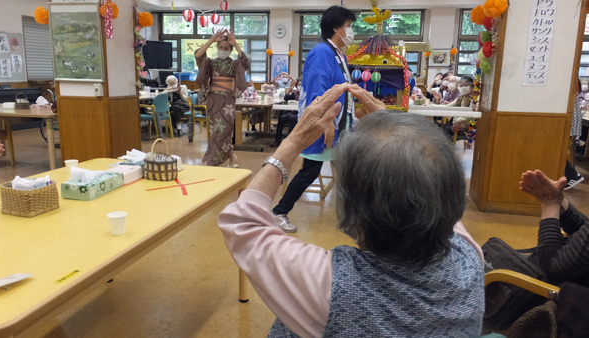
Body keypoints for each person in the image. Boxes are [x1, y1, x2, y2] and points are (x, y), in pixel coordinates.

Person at [219, 83, 485, 337]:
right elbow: (436, 193)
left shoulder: (329, 286)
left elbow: (244, 221)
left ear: (354, 214)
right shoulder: (470, 258)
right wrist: (398, 130)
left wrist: (294, 141)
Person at [271, 6, 357, 233]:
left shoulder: (338, 53)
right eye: (348, 26)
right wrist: (326, 122)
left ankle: (355, 216)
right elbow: (318, 91)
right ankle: (279, 212)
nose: (351, 31)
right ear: (336, 28)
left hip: (341, 124)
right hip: (326, 124)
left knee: (348, 171)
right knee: (310, 170)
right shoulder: (321, 52)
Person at [519, 170, 589, 286]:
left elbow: (551, 268)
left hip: (553, 293)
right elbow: (584, 239)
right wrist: (560, 202)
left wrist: (550, 204)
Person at [196, 29, 250, 166]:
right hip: (213, 99)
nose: (223, 50)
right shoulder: (211, 63)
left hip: (227, 101)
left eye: (226, 48)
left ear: (230, 50)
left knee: (225, 130)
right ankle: (231, 156)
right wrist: (212, 39)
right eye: (221, 47)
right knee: (216, 131)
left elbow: (245, 63)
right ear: (217, 48)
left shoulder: (234, 64)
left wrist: (236, 44)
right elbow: (198, 55)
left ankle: (212, 160)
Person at [270, 79, 302, 148]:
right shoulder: (294, 94)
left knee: (292, 118)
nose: (300, 86)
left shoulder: (305, 94)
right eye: (299, 85)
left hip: (300, 113)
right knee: (282, 117)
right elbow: (286, 98)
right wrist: (289, 90)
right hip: (292, 112)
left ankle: (289, 140)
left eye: (301, 85)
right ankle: (277, 139)